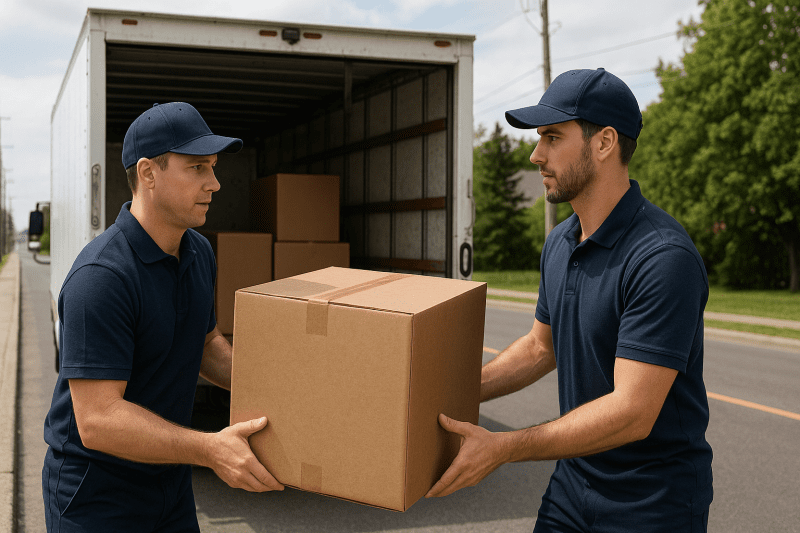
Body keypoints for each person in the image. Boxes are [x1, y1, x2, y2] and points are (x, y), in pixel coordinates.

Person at [426, 68, 713, 532]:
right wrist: (450, 394)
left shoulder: (662, 257)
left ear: (604, 143)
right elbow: (542, 347)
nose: (537, 155)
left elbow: (633, 413)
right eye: (539, 138)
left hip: (652, 504)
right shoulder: (561, 242)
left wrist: (504, 447)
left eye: (553, 137)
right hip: (572, 487)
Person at [42, 102, 283, 533]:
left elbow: (206, 344)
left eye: (212, 167)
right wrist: (210, 449)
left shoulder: (198, 252)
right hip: (98, 499)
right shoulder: (101, 278)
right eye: (197, 168)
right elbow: (98, 420)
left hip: (169, 485)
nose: (215, 182)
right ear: (149, 173)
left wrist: (281, 386)